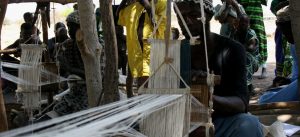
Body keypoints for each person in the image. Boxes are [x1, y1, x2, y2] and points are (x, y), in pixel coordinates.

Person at [175, 0, 263, 136]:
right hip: (180, 124)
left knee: (249, 124)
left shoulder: (232, 49)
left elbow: (241, 104)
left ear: (209, 15)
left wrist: (207, 98)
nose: (187, 22)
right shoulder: (173, 53)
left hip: (219, 123)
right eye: (181, 16)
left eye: (193, 15)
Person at [117, 0, 166, 87]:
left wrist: (147, 7)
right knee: (141, 80)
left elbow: (160, 24)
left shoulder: (161, 3)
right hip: (137, 50)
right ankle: (140, 97)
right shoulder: (134, 7)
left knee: (148, 78)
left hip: (151, 49)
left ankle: (145, 97)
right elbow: (120, 16)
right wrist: (123, 2)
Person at [259, 5, 299, 104]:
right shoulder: (293, 44)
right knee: (267, 95)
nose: (285, 35)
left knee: (264, 101)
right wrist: (288, 80)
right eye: (282, 32)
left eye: (286, 30)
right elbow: (296, 76)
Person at [238, 0, 268, 79]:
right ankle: (247, 67)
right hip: (245, 17)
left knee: (261, 40)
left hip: (257, 16)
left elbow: (265, 2)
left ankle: (264, 68)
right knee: (245, 39)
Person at [233, 14, 259, 94]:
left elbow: (251, 48)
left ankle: (247, 86)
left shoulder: (251, 33)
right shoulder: (235, 33)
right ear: (238, 23)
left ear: (249, 24)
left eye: (246, 22)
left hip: (253, 61)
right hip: (240, 57)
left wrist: (239, 48)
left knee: (246, 57)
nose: (243, 24)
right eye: (242, 22)